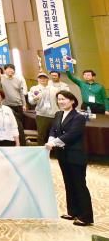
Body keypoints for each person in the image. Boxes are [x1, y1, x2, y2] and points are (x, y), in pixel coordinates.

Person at [46, 91, 94, 227]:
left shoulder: (79, 117)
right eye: (59, 99)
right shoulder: (58, 114)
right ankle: (73, 212)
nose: (61, 101)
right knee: (69, 183)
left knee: (79, 185)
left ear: (72, 101)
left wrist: (54, 143)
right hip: (63, 155)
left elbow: (72, 134)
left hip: (75, 155)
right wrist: (50, 139)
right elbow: (53, 129)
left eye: (64, 99)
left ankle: (85, 217)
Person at [0, 64, 27, 146]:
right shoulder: (1, 78)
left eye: (12, 69)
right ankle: (11, 143)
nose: (11, 70)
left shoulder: (18, 80)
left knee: (19, 126)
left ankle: (21, 144)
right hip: (6, 106)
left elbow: (21, 93)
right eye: (9, 69)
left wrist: (24, 104)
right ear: (5, 70)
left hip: (18, 105)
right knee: (9, 125)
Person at [28, 73, 59, 145]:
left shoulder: (55, 89)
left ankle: (53, 150)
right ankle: (41, 150)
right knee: (41, 135)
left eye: (44, 78)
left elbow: (59, 101)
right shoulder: (34, 89)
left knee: (54, 135)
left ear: (48, 79)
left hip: (54, 115)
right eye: (40, 78)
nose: (42, 79)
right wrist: (35, 99)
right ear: (38, 79)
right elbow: (31, 102)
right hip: (42, 115)